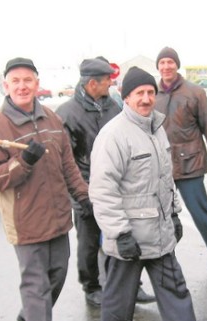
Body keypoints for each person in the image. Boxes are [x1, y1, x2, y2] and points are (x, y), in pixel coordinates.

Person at [89, 66, 207, 321]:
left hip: (159, 231)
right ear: (126, 97)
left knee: (175, 288)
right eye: (139, 93)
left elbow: (166, 179)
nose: (146, 98)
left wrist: (175, 215)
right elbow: (102, 189)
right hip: (130, 236)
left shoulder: (156, 129)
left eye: (150, 92)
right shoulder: (113, 135)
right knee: (119, 298)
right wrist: (119, 233)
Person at [0, 57, 91, 321]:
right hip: (25, 221)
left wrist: (82, 195)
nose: (22, 86)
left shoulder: (52, 119)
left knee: (57, 275)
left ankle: (32, 313)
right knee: (36, 284)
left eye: (28, 80)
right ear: (6, 86)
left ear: (37, 84)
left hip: (57, 217)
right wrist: (22, 162)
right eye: (16, 81)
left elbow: (68, 163)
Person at [55, 58, 155, 307]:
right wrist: (79, 197)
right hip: (86, 190)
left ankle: (133, 286)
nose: (111, 84)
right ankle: (91, 287)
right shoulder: (67, 113)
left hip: (120, 186)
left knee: (124, 236)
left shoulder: (115, 106)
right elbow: (64, 160)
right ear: (92, 84)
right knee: (89, 243)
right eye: (106, 80)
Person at [154, 47, 207, 269]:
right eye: (162, 63)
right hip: (161, 164)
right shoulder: (151, 93)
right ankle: (163, 256)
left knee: (199, 210)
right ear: (158, 67)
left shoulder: (195, 93)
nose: (166, 66)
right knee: (160, 213)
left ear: (177, 65)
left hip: (190, 162)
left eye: (170, 62)